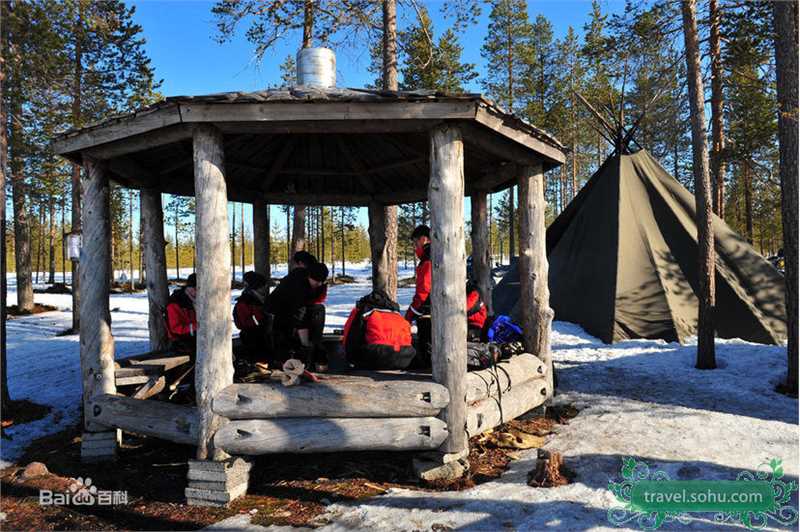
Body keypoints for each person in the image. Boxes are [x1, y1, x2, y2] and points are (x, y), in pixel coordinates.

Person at [264, 260, 329, 371]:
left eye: (321, 281)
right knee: (284, 336)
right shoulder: (299, 287)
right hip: (277, 311)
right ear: (310, 276)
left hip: (289, 309)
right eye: (316, 281)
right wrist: (305, 343)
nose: (319, 284)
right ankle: (283, 363)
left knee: (318, 310)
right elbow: (299, 317)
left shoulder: (307, 279)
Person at [342, 290, 416, 370]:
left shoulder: (364, 311)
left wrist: (350, 359)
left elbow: (350, 337)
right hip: (406, 356)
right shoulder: (396, 314)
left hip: (377, 356)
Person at [405, 225, 433, 367]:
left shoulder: (428, 261)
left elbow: (423, 291)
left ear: (423, 239)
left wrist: (410, 314)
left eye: (416, 243)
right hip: (436, 311)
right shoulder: (438, 255)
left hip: (428, 313)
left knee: (427, 348)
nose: (415, 248)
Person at [233, 271, 269, 362]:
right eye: (262, 286)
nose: (265, 288)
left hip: (261, 337)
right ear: (256, 287)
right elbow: (246, 323)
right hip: (252, 338)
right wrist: (263, 319)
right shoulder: (245, 302)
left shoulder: (261, 299)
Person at [166, 273, 198, 355]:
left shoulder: (199, 301)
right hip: (182, 343)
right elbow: (175, 329)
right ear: (190, 288)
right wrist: (195, 327)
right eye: (196, 289)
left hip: (197, 338)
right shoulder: (176, 303)